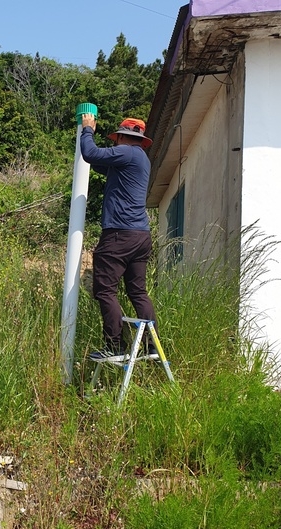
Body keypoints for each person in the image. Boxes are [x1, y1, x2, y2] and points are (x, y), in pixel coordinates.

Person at [80, 114, 159, 361]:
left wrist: (87, 130)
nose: (115, 143)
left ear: (123, 137)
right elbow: (98, 162)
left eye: (117, 139)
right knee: (138, 292)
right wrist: (88, 149)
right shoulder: (140, 158)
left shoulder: (127, 152)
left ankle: (115, 345)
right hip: (140, 235)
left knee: (105, 291)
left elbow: (90, 154)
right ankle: (151, 346)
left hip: (119, 234)